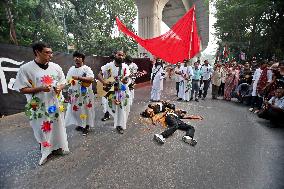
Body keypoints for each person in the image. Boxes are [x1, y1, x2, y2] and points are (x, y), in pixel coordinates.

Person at [14, 42, 69, 165]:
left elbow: (63, 81)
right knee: (42, 128)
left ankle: (58, 148)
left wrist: (60, 87)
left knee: (57, 126)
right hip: (38, 106)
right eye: (47, 52)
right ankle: (45, 151)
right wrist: (39, 88)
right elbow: (22, 89)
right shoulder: (26, 69)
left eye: (51, 52)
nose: (51, 55)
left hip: (55, 104)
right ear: (37, 52)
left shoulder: (55, 67)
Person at [98, 50, 130, 134]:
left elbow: (127, 79)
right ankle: (107, 114)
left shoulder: (125, 67)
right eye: (119, 55)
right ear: (115, 55)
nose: (121, 57)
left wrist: (126, 81)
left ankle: (119, 125)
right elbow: (99, 74)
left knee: (120, 108)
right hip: (110, 91)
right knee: (109, 105)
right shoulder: (108, 65)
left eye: (122, 55)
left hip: (121, 90)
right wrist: (104, 82)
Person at [65, 51, 95, 136]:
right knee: (76, 109)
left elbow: (91, 79)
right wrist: (68, 93)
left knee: (86, 109)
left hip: (85, 94)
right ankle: (80, 124)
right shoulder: (71, 69)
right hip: (75, 94)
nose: (77, 58)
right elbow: (68, 81)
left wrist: (79, 78)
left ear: (83, 59)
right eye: (75, 57)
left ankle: (86, 126)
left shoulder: (86, 68)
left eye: (79, 57)